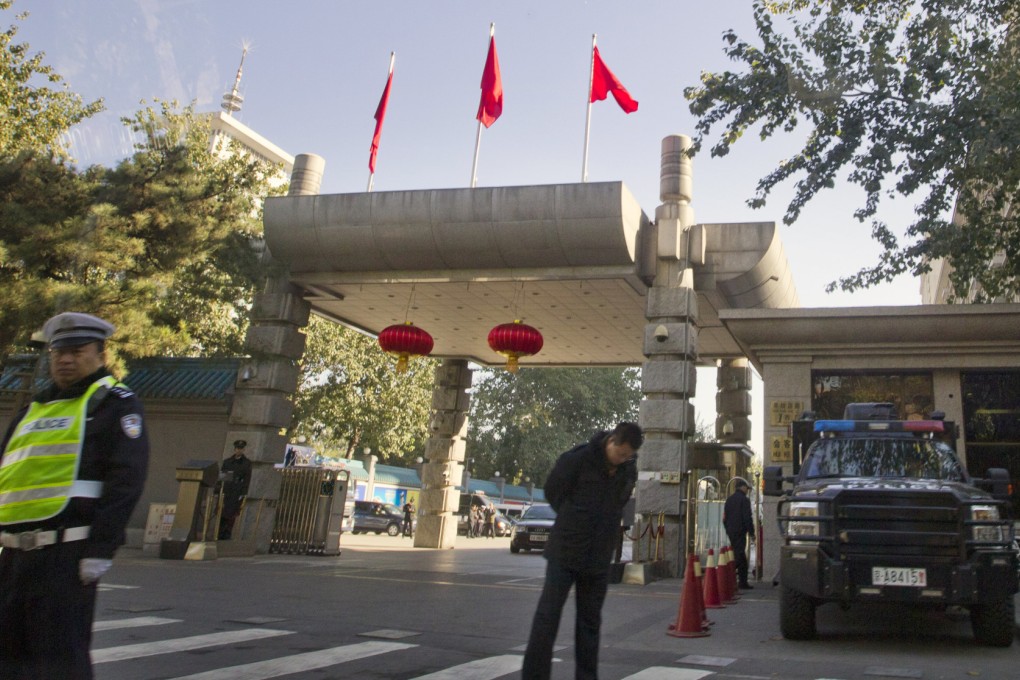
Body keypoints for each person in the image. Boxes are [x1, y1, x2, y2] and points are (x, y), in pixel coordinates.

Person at [0, 312, 150, 679]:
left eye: (77, 351)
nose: (64, 360)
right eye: (57, 352)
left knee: (58, 659)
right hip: (13, 557)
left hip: (66, 556)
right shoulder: (33, 409)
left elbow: (124, 483)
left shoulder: (115, 404)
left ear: (100, 354)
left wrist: (100, 549)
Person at [522, 422, 642, 680]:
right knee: (548, 617)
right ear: (611, 441)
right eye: (621, 453)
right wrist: (574, 519)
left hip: (598, 558)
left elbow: (620, 502)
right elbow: (553, 492)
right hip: (565, 551)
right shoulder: (578, 459)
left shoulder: (627, 470)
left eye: (628, 456)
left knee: (589, 623)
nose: (623, 459)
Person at [724, 477, 755, 589]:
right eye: (747, 488)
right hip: (740, 531)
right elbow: (748, 517)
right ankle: (728, 575)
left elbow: (725, 518)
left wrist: (728, 529)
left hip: (731, 531)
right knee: (739, 556)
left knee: (740, 556)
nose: (747, 490)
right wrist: (751, 532)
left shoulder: (729, 499)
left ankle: (742, 581)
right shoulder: (744, 500)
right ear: (742, 487)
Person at [218, 440, 252, 540]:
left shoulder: (246, 463)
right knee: (222, 513)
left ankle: (227, 534)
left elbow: (247, 479)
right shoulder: (228, 462)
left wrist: (243, 493)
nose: (239, 451)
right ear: (235, 449)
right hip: (226, 490)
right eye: (237, 448)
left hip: (236, 491)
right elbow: (223, 477)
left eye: (241, 449)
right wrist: (218, 490)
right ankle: (219, 533)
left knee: (231, 514)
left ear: (244, 450)